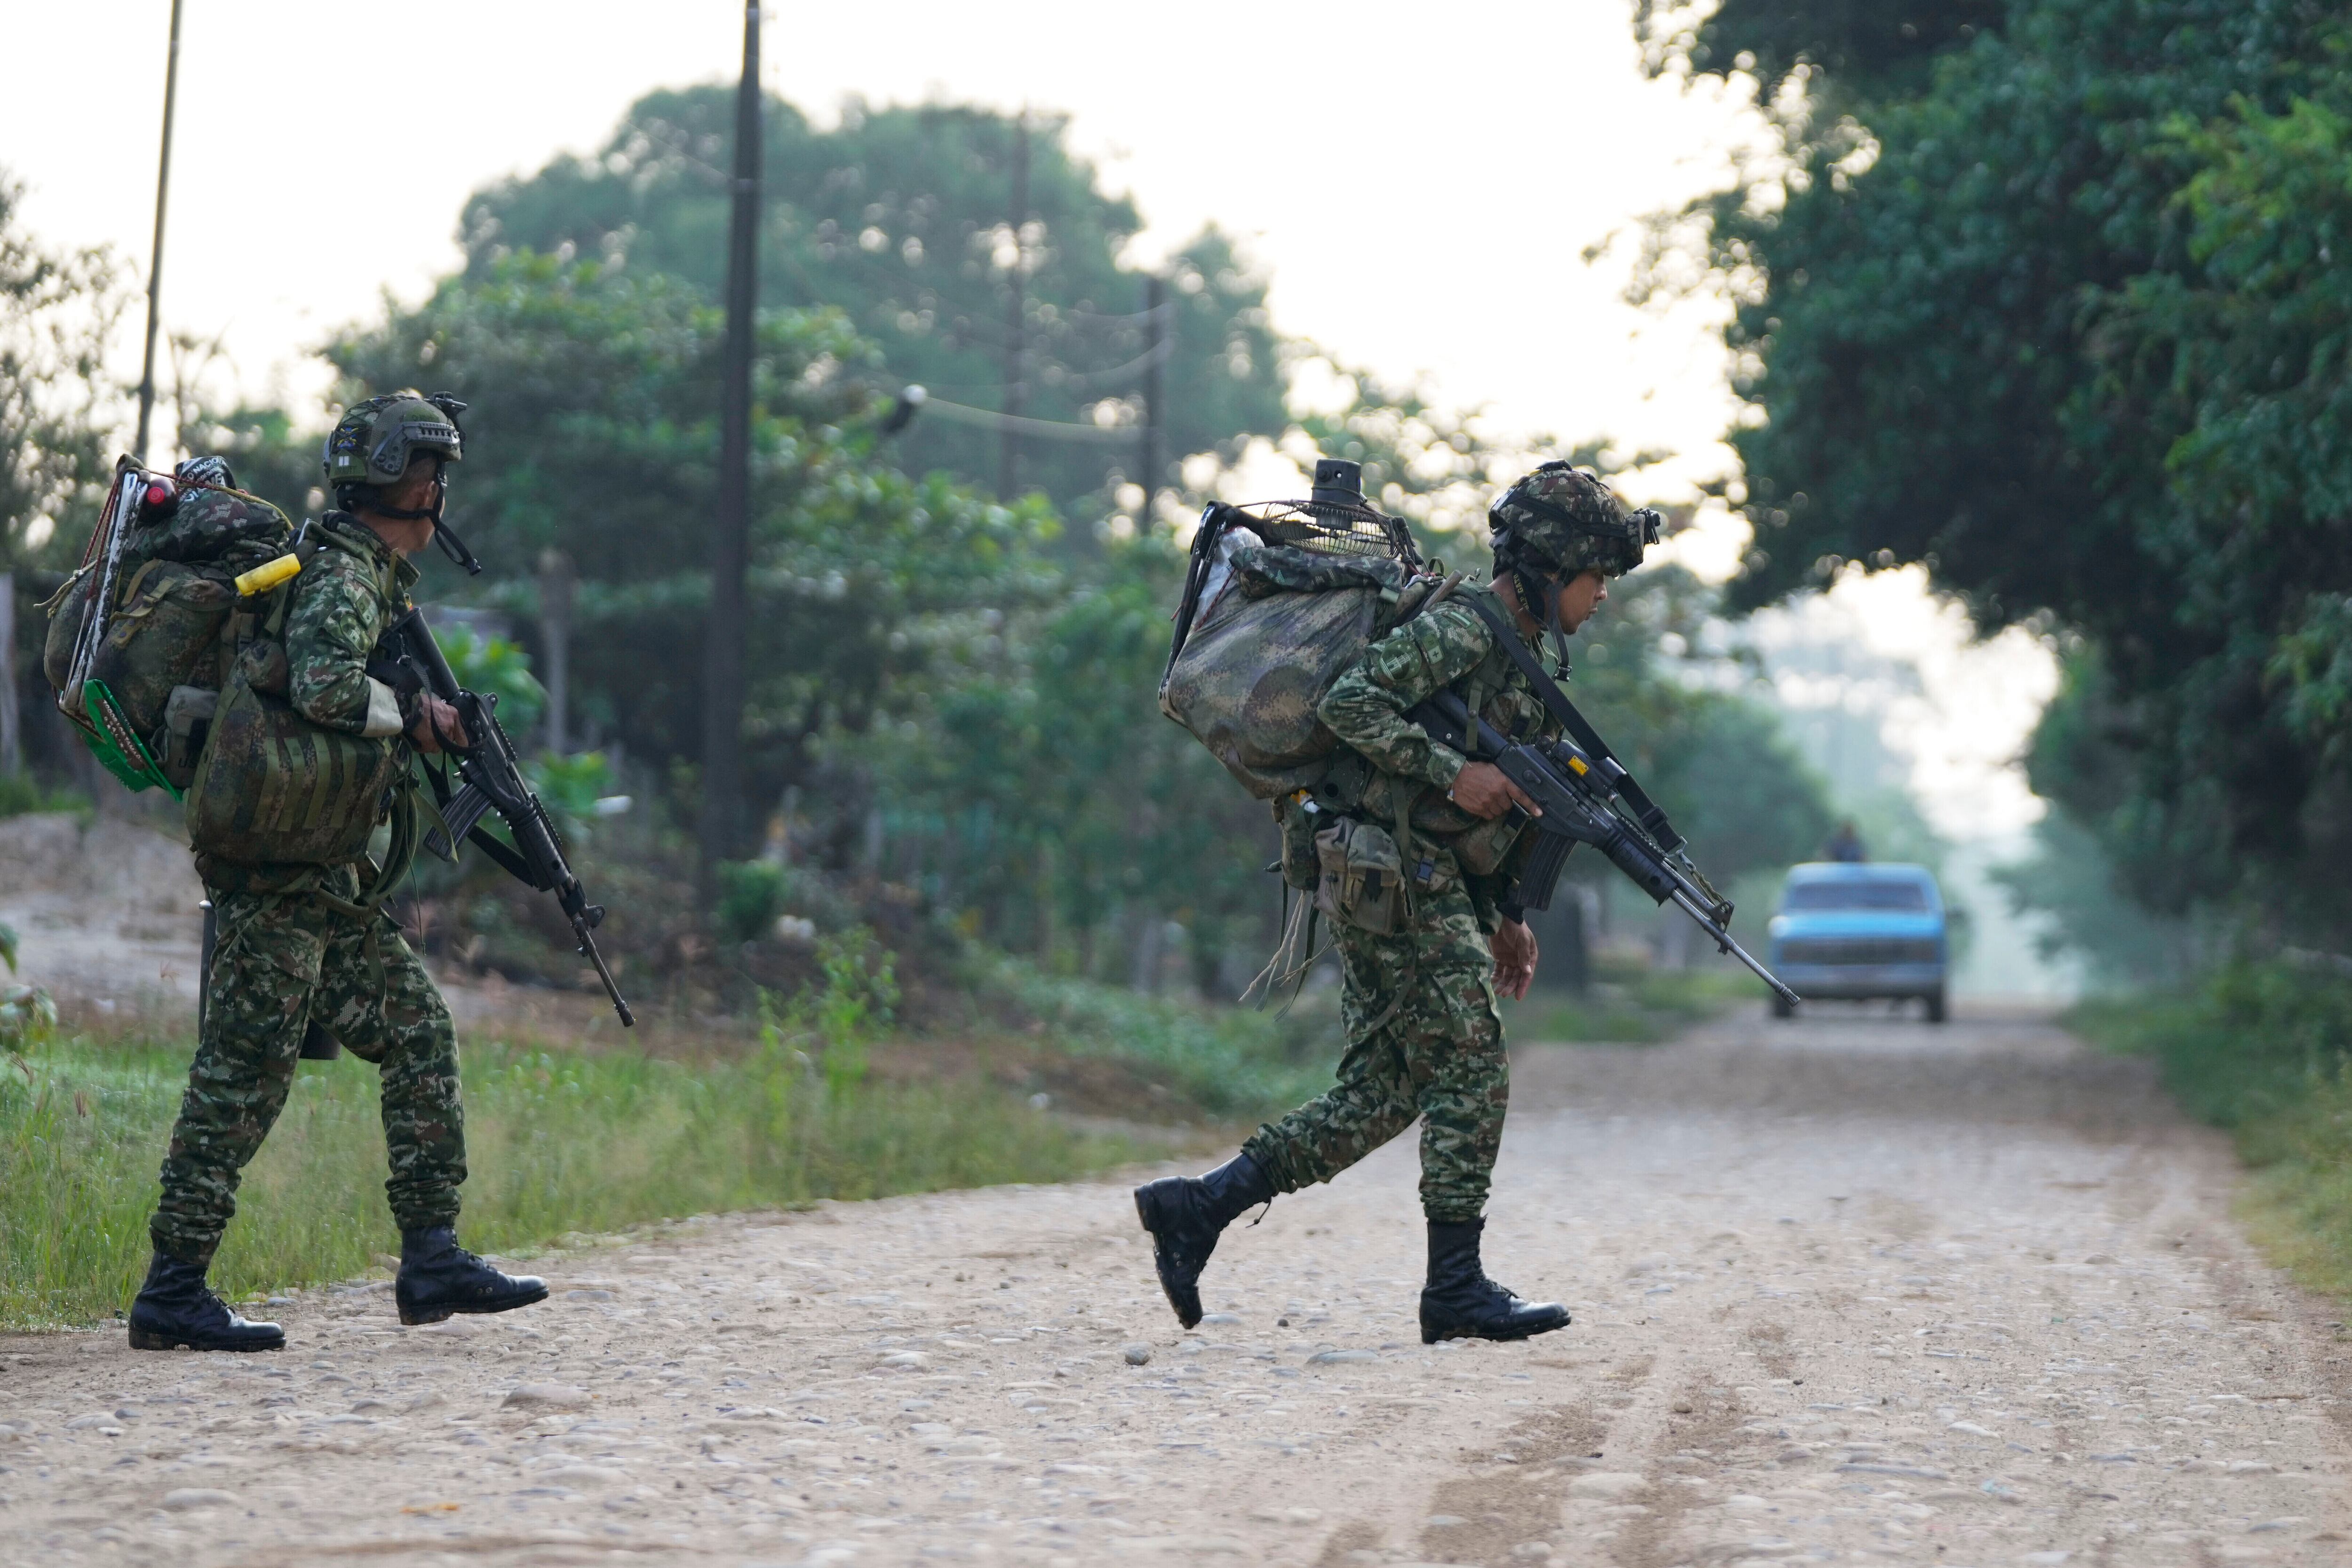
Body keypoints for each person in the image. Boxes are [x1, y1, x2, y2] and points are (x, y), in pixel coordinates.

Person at [1136, 462, 1657, 1343]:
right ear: (1547, 567)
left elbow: (1503, 800)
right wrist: (1456, 773)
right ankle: (1453, 1288)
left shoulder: (1517, 657)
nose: (1601, 596)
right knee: (1471, 1059)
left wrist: (1508, 913)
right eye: (1594, 577)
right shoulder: (1465, 629)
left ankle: (1199, 1207)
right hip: (1393, 875)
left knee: (1387, 1087)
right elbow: (1350, 703)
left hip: (1414, 877)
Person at [128, 391, 546, 1352]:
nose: (437, 492)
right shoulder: (346, 578)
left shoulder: (365, 573)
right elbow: (321, 684)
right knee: (243, 1074)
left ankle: (432, 1255)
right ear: (412, 485)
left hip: (325, 882)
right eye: (429, 476)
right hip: (279, 878)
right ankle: (172, 1288)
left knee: (416, 1033)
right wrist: (422, 717)